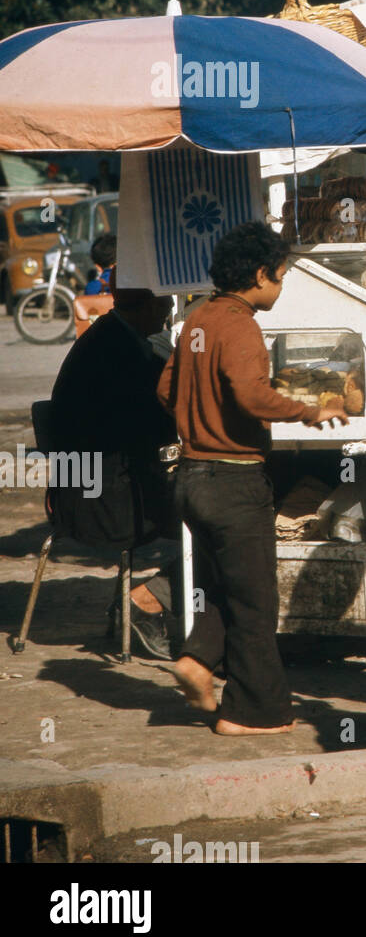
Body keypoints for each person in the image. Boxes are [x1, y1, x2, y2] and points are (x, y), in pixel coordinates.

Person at [157, 222, 345, 735]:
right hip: (233, 480)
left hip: (191, 479)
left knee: (228, 587)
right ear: (260, 275)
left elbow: (167, 387)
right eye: (280, 278)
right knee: (257, 603)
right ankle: (252, 712)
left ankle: (196, 661)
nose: (280, 289)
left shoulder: (198, 318)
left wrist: (200, 415)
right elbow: (251, 395)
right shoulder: (240, 325)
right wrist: (308, 410)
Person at [48, 272, 178, 659]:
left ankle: (148, 600)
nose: (170, 313)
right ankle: (146, 601)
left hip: (94, 485)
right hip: (102, 500)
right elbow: (153, 421)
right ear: (149, 304)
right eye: (166, 304)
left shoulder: (117, 337)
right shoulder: (116, 350)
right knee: (221, 520)